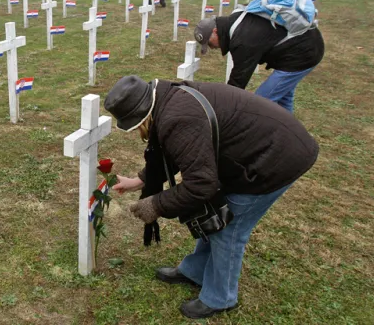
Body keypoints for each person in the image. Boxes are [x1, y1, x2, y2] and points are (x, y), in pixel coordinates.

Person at [104, 75, 319, 320]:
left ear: (142, 115)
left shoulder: (178, 118)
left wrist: (156, 204)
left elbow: (200, 186)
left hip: (276, 157)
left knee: (230, 226)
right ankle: (195, 271)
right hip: (258, 148)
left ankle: (220, 297)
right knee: (216, 218)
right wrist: (141, 180)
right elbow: (184, 151)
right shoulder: (168, 98)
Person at [193, 9, 325, 113]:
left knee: (261, 103)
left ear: (215, 31)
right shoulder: (236, 20)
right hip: (304, 46)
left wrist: (221, 109)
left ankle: (264, 136)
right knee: (284, 98)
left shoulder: (242, 39)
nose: (212, 47)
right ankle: (290, 132)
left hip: (303, 54)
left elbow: (238, 81)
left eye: (209, 43)